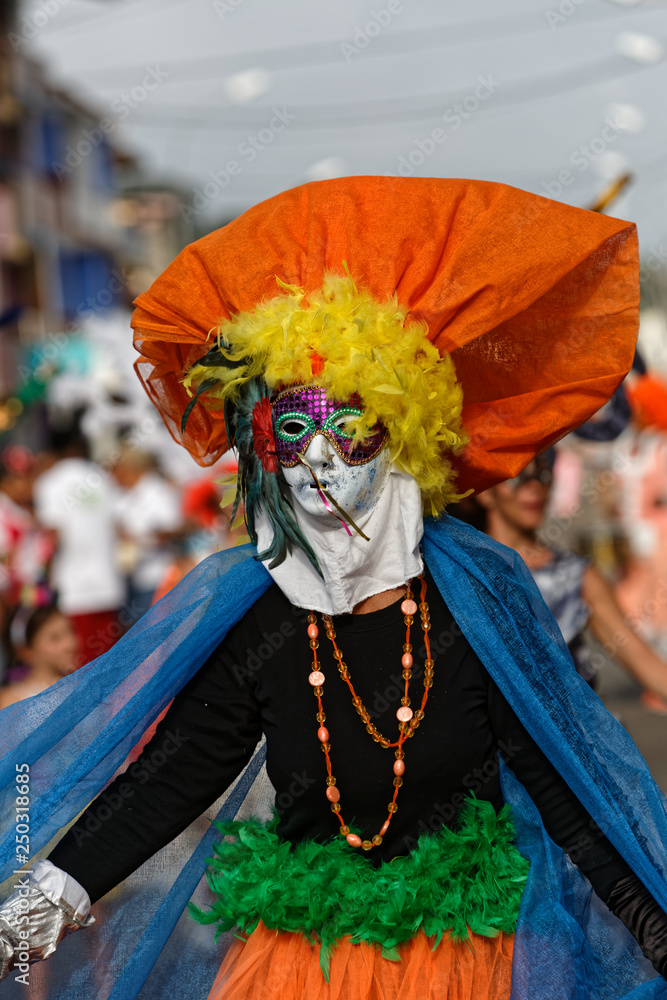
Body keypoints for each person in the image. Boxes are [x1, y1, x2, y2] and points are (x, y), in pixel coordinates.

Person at [1, 177, 667, 1000]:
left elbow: (566, 791)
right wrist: (32, 909)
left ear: (402, 435)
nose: (317, 457)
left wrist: (653, 925)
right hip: (296, 968)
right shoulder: (263, 614)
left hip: (458, 963)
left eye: (347, 425)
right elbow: (170, 781)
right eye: (291, 426)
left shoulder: (469, 605)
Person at [473, 451, 667, 701]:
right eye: (518, 476)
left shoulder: (577, 575)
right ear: (486, 492)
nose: (534, 487)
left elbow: (641, 659)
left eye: (543, 473)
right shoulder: (461, 571)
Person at [33, 426, 124, 666]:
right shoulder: (102, 477)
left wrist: (39, 580)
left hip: (73, 588)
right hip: (108, 582)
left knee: (77, 667)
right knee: (108, 665)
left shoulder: (50, 482)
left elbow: (52, 537)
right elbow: (118, 526)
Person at [0, 603, 78, 710]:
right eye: (55, 638)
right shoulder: (12, 701)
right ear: (26, 651)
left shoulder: (81, 688)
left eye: (71, 631)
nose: (70, 644)